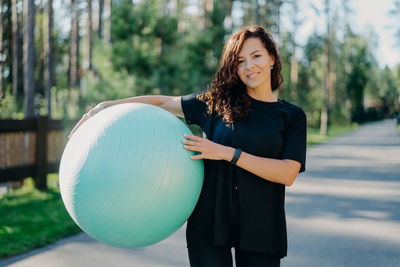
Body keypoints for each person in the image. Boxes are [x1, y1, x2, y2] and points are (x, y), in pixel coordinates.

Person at [69, 25, 307, 267]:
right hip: (209, 225)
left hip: (262, 228)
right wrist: (105, 106)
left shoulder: (291, 116)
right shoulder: (216, 103)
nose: (248, 67)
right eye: (240, 61)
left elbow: (287, 173)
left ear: (272, 58)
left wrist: (228, 154)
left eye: (256, 56)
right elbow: (162, 102)